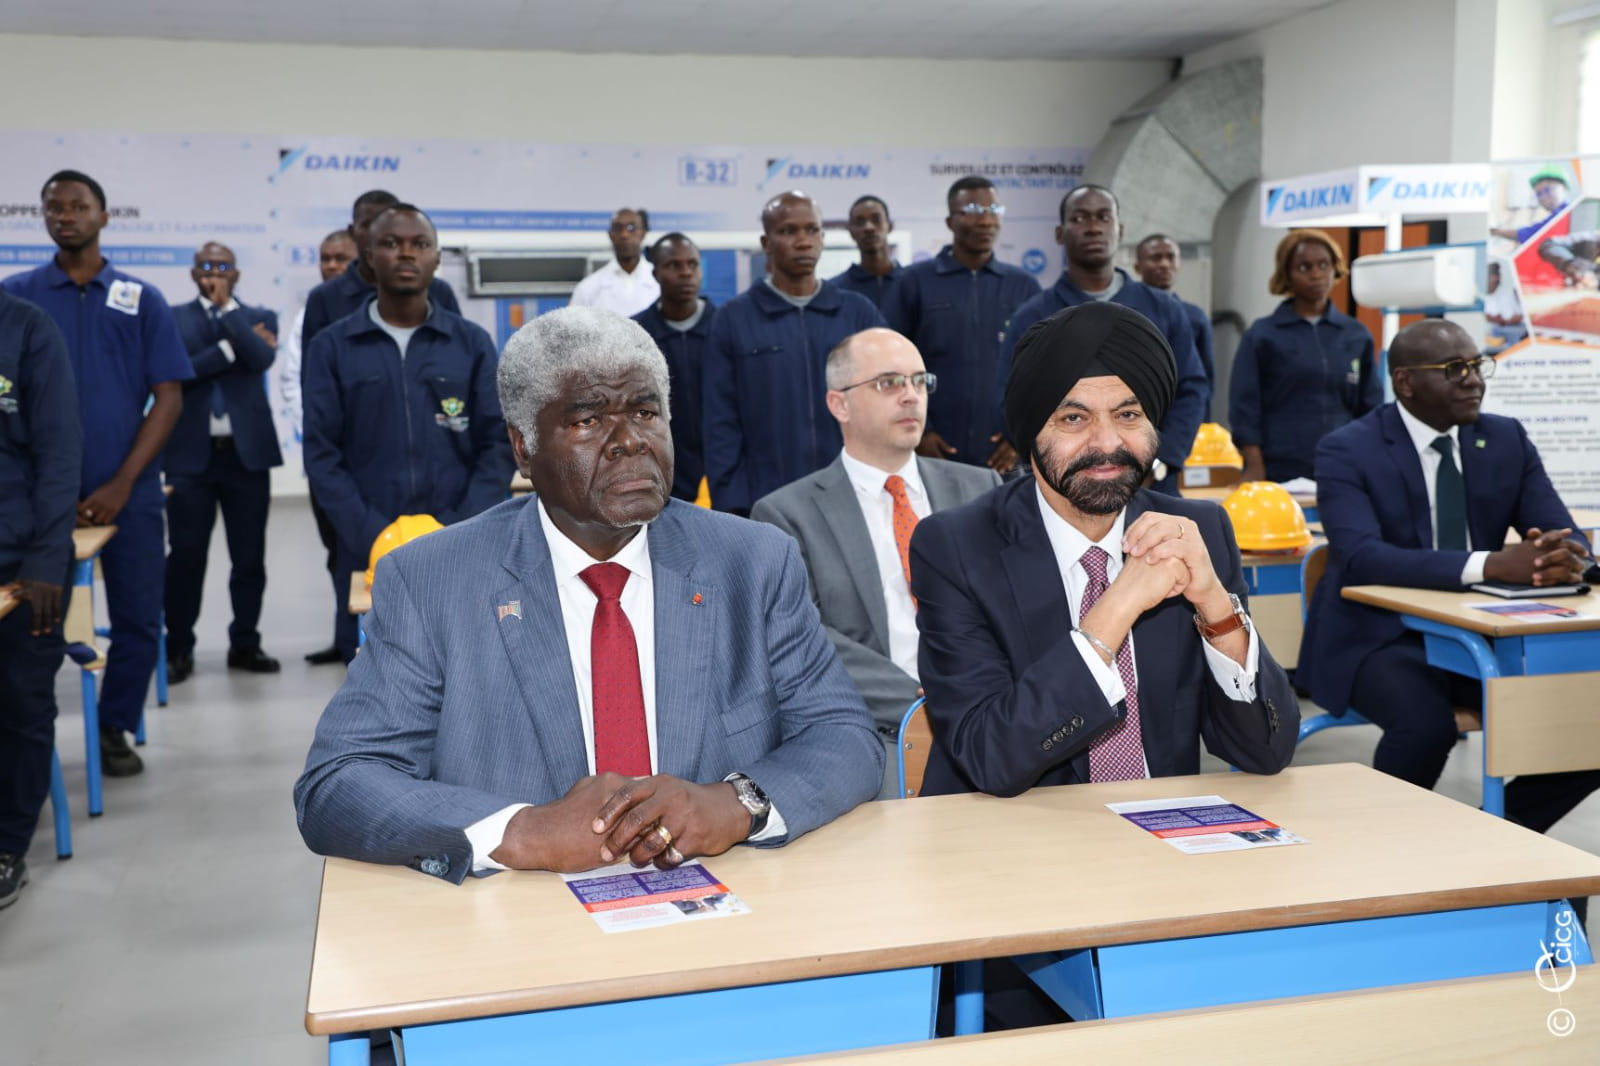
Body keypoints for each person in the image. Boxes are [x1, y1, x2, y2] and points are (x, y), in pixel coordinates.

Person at [294, 306, 884, 883]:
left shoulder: (753, 561)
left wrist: (736, 803)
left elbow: (843, 734)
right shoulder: (432, 581)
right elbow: (339, 781)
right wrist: (523, 830)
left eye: (647, 412)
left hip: (727, 912)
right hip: (519, 934)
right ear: (523, 448)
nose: (630, 441)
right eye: (588, 421)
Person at [912, 301, 1298, 800]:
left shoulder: (1195, 531)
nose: (1108, 442)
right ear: (1031, 433)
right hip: (1009, 841)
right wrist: (1117, 606)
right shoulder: (956, 548)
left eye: (1129, 414)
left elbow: (1266, 752)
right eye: (1074, 417)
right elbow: (992, 758)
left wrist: (1217, 611)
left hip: (1159, 834)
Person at [1300, 319, 1599, 838]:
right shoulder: (1347, 448)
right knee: (1425, 725)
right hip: (1376, 635)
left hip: (1480, 632)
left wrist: (1567, 556)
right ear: (1405, 382)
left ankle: (1497, 834)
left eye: (1478, 365)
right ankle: (1380, 857)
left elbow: (1561, 531)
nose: (1473, 380)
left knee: (1583, 718)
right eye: (1454, 369)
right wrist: (1490, 564)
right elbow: (1363, 556)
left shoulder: (1505, 437)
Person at [1, 170, 192, 778]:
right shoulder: (20, 299)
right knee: (35, 621)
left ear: (105, 217)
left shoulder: (141, 299)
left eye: (79, 206)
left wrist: (121, 484)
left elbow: (168, 397)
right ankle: (29, 738)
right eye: (54, 207)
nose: (66, 215)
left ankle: (113, 727)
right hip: (34, 503)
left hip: (126, 492)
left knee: (139, 617)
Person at [752, 328, 999, 796]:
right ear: (838, 404)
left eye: (919, 381)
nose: (911, 396)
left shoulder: (981, 489)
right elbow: (804, 637)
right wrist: (924, 697)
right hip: (876, 730)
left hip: (991, 719)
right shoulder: (787, 513)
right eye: (889, 383)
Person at [302, 204, 513, 663]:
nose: (406, 254)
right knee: (371, 678)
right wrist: (372, 534)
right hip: (366, 549)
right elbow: (322, 454)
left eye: (419, 244)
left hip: (461, 542)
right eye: (391, 243)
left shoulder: (471, 344)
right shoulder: (332, 348)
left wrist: (460, 528)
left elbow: (497, 445)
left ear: (436, 259)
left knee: (468, 671)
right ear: (368, 257)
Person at [994, 186, 1207, 494]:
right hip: (1065, 486)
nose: (1093, 227)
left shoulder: (1164, 309)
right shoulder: (1034, 315)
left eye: (1103, 217)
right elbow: (1012, 402)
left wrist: (1159, 461)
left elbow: (1191, 389)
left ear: (1119, 230)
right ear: (1059, 233)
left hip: (1152, 484)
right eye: (1079, 218)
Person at [702, 191, 884, 514]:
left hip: (853, 499)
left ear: (823, 238)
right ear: (766, 242)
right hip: (766, 503)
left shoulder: (857, 314)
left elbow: (883, 402)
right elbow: (720, 423)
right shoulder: (733, 319)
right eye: (789, 231)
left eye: (812, 230)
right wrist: (733, 504)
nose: (803, 241)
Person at [163, 243, 284, 681]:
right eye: (206, 267)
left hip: (246, 458)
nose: (214, 273)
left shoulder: (260, 316)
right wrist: (231, 352)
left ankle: (245, 644)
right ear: (194, 274)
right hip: (189, 458)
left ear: (236, 274)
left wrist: (230, 317)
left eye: (223, 267)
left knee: (249, 558)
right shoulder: (172, 318)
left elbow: (264, 357)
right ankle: (178, 647)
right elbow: (178, 371)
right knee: (186, 557)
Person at [0, 290, 82, 908]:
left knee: (22, 705)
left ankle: (8, 845)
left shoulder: (26, 329)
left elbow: (58, 453)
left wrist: (46, 562)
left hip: (22, 563)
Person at [882, 177, 1040, 473]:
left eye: (994, 209)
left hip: (1004, 458)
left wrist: (1022, 435)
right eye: (972, 209)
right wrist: (921, 431)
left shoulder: (1024, 287)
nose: (986, 220)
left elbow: (1041, 368)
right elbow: (889, 362)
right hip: (932, 452)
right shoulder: (913, 282)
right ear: (950, 221)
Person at [1227, 228, 1381, 484]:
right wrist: (1254, 465)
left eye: (1324, 265)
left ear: (1335, 268)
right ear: (1287, 275)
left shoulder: (1356, 335)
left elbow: (1370, 407)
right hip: (1279, 468)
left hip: (1344, 464)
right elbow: (1245, 407)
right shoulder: (1262, 334)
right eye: (1304, 267)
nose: (1317, 274)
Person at [280, 230, 358, 665]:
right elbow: (295, 377)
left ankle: (360, 638)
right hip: (326, 453)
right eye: (324, 258)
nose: (330, 266)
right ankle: (344, 635)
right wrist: (316, 430)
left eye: (340, 258)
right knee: (337, 550)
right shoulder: (314, 308)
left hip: (364, 454)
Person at [298, 190, 461, 354]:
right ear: (352, 232)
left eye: (387, 226)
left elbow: (460, 355)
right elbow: (314, 372)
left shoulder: (438, 291)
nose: (377, 233)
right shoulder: (324, 297)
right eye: (368, 225)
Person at [633, 233, 715, 502]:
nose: (685, 273)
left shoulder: (725, 326)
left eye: (693, 264)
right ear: (655, 273)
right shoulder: (637, 335)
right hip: (661, 475)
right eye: (674, 266)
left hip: (721, 473)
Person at [1133, 233, 1215, 390]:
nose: (1164, 264)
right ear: (1138, 267)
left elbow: (1205, 377)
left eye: (1171, 257)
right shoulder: (1126, 312)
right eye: (1156, 258)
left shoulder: (1195, 317)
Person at [570, 207, 659, 318]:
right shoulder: (587, 288)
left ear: (643, 233)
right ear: (610, 235)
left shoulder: (661, 282)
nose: (624, 234)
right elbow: (571, 331)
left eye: (631, 228)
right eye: (618, 228)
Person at [829, 195, 903, 310]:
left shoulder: (911, 283)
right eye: (860, 222)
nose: (868, 227)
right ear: (851, 232)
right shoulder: (835, 290)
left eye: (876, 220)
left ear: (890, 226)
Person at [1490, 168, 1571, 245]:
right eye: (1538, 194)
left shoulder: (1567, 213)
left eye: (1547, 190)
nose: (1543, 197)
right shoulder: (1559, 213)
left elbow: (1533, 233)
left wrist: (1494, 232)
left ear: (1563, 188)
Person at [1482, 262, 1527, 346]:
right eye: (1492, 277)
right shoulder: (1479, 297)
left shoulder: (1507, 294)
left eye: (1497, 276)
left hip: (1510, 336)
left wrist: (1506, 321)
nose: (1495, 280)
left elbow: (1519, 317)